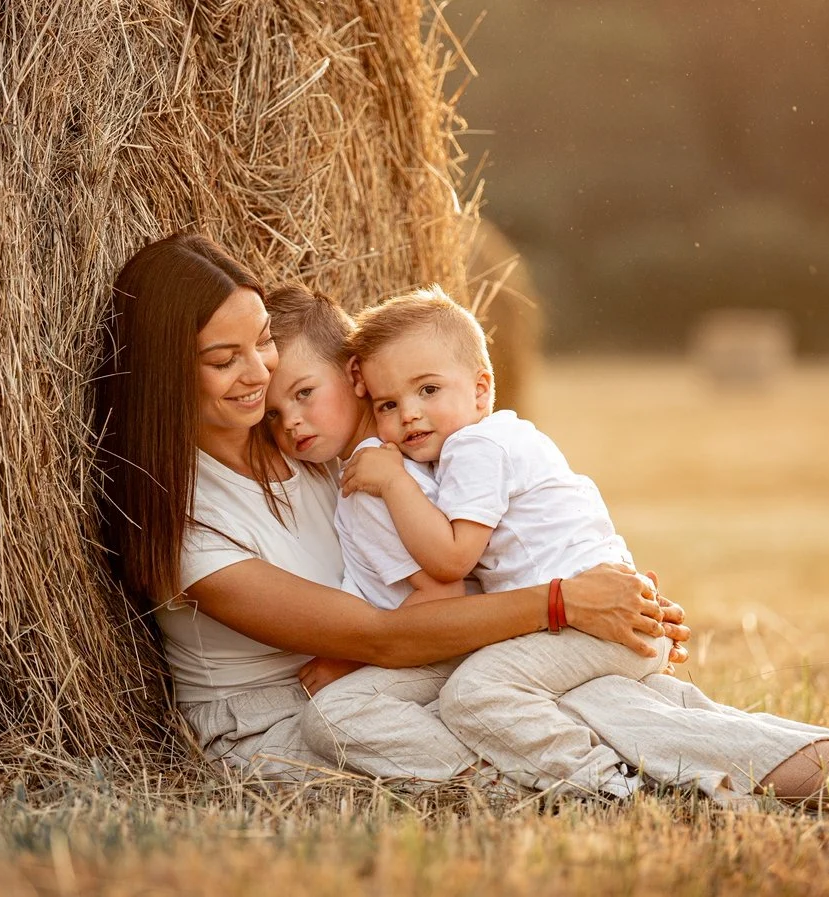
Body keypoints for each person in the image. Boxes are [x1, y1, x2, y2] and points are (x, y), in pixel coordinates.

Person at [259, 282, 829, 813]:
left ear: (352, 370)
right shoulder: (406, 457)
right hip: (540, 633)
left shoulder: (411, 464)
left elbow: (446, 588)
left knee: (564, 706)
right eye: (271, 408)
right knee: (648, 720)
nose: (289, 418)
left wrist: (573, 600)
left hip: (542, 632)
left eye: (306, 390)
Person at [93, 233, 675, 781]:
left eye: (264, 340)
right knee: (540, 715)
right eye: (225, 360)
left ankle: (688, 747)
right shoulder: (186, 520)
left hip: (390, 670)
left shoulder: (319, 448)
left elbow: (463, 553)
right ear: (167, 372)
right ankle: (603, 777)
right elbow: (382, 635)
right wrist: (566, 602)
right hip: (280, 717)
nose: (261, 373)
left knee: (596, 691)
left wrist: (613, 596)